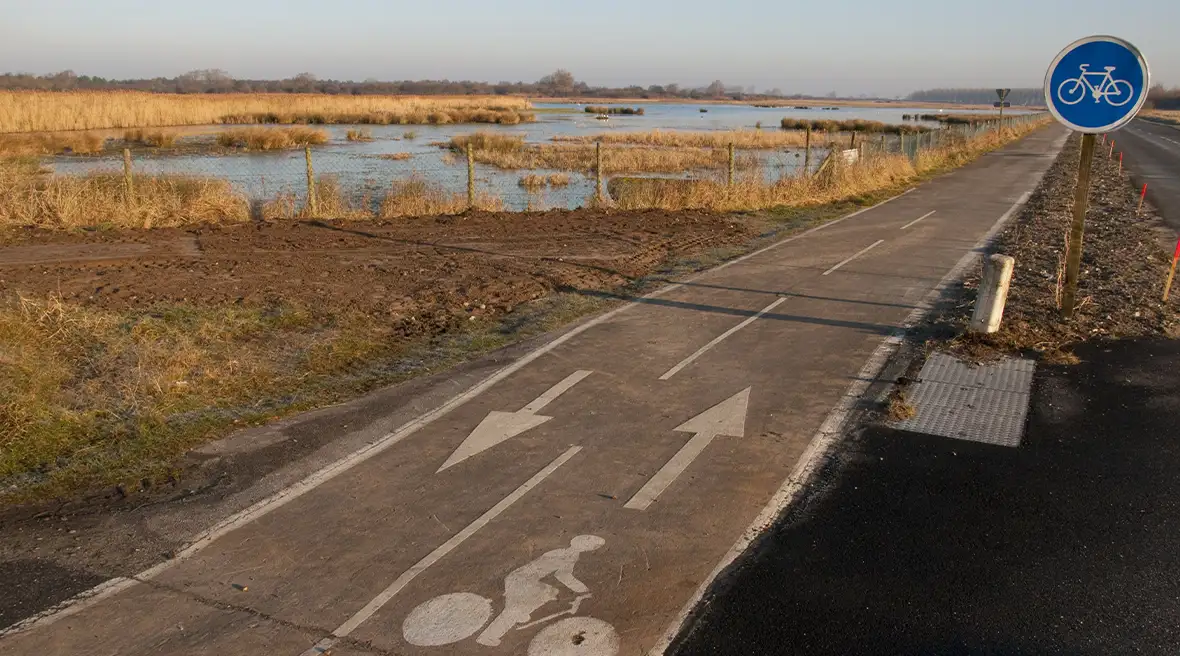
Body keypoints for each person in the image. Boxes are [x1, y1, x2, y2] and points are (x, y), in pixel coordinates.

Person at [476, 535, 605, 646]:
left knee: (549, 592)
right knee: (514, 610)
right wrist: (584, 590)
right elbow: (562, 575)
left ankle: (522, 611)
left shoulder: (563, 551)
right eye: (593, 545)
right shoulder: (569, 555)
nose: (592, 548)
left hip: (523, 578)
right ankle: (487, 636)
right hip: (523, 579)